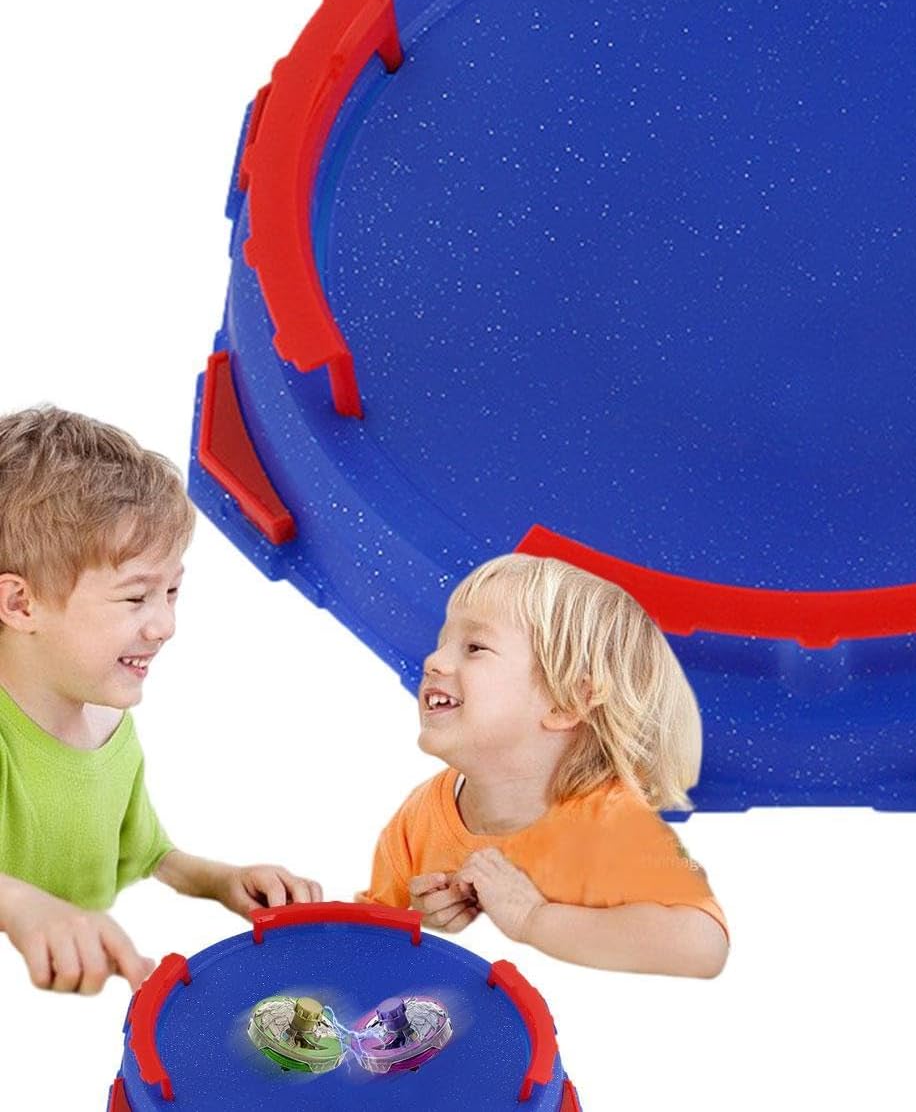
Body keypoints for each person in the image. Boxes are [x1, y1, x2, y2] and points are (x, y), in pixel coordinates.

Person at [0, 406, 323, 995]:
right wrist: (22, 906)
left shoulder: (108, 721)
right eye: (135, 598)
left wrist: (219, 880)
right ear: (21, 605)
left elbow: (144, 852)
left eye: (172, 591)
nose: (165, 625)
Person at [360, 552, 729, 978]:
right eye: (443, 642)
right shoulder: (421, 815)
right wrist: (416, 919)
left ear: (565, 703)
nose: (434, 661)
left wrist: (533, 918)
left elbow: (704, 945)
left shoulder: (612, 821)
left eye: (474, 647)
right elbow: (367, 941)